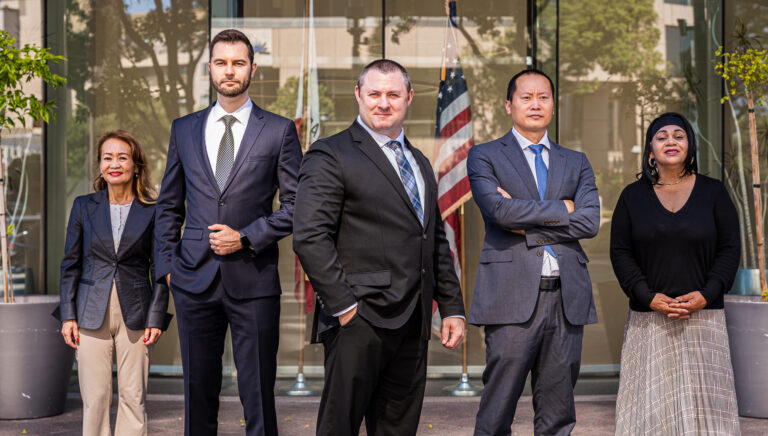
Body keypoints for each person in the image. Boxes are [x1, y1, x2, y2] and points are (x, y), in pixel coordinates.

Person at [293, 59, 466, 436]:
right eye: (374, 94)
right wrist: (344, 309)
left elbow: (433, 239)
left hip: (414, 321)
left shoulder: (419, 161)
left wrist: (451, 307)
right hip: (359, 319)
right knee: (339, 427)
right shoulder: (330, 154)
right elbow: (309, 237)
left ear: (409, 98)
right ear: (358, 95)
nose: (383, 103)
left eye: (393, 94)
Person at [154, 29, 302, 436]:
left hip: (253, 279)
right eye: (221, 62)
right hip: (192, 280)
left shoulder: (279, 130)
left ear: (252, 68)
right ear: (210, 69)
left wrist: (248, 235)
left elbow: (296, 207)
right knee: (197, 395)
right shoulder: (183, 129)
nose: (229, 70)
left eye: (238, 62)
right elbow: (169, 204)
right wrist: (168, 267)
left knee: (257, 396)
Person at [467, 68, 600, 436]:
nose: (535, 104)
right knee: (497, 410)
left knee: (558, 414)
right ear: (509, 105)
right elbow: (497, 211)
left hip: (566, 298)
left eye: (543, 97)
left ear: (553, 106)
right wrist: (564, 208)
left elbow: (589, 222)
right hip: (510, 296)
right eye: (526, 97)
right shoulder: (485, 156)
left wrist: (525, 219)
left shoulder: (577, 161)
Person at [610, 112, 741, 435]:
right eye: (662, 136)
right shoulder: (632, 197)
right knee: (650, 411)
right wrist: (647, 296)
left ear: (690, 146)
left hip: (704, 319)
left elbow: (729, 250)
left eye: (679, 135)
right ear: (650, 150)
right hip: (649, 319)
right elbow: (621, 253)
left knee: (707, 411)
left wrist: (707, 294)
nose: (671, 140)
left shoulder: (714, 192)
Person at [57, 130, 172, 436]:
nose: (114, 164)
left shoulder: (153, 210)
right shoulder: (83, 206)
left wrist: (157, 316)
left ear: (136, 166)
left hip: (135, 311)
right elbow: (71, 263)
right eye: (107, 158)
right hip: (90, 309)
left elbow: (160, 268)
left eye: (122, 157)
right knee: (94, 399)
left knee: (134, 397)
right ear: (100, 166)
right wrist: (68, 314)